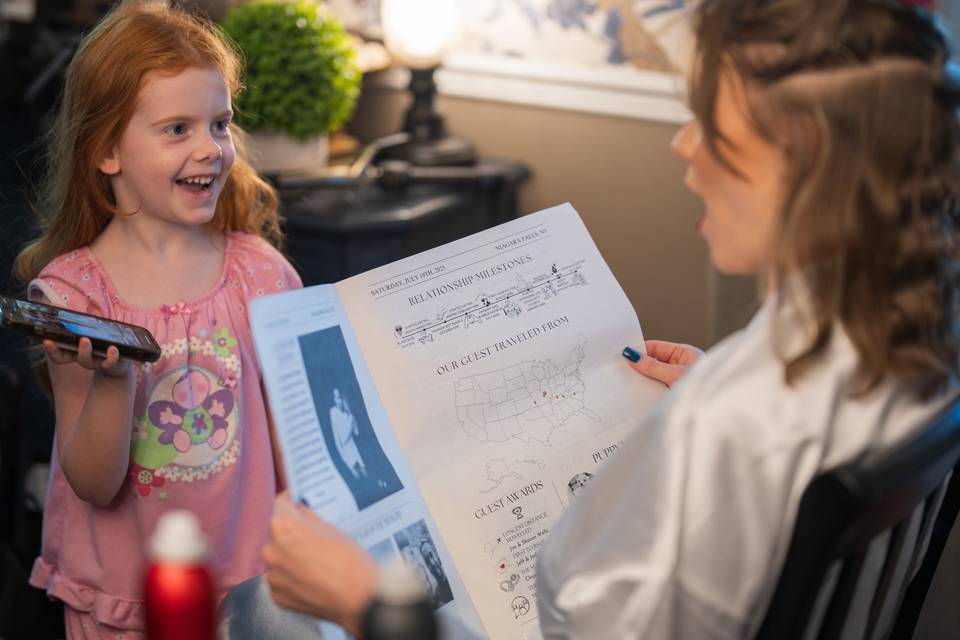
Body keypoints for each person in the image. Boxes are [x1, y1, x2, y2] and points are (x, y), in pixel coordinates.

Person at [261, 0, 960, 637]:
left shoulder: (732, 429)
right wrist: (716, 387)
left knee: (269, 609)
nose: (685, 147)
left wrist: (366, 602)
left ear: (807, 165)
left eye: (712, 126)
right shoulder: (917, 331)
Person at [12, 1, 302, 637]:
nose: (210, 148)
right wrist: (115, 385)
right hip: (123, 601)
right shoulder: (73, 298)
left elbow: (294, 449)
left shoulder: (261, 273)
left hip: (249, 597)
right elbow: (92, 482)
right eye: (178, 129)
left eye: (219, 124)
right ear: (107, 150)